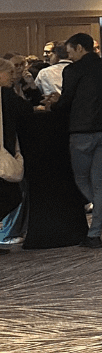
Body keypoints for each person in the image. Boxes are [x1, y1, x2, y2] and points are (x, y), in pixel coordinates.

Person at [54, 34, 102, 248]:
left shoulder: (72, 70)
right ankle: (97, 232)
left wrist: (52, 105)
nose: (69, 56)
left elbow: (66, 101)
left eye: (70, 52)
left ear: (79, 48)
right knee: (99, 183)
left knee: (81, 180)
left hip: (81, 132)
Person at [0, 57, 29, 249]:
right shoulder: (5, 94)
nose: (12, 75)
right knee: (12, 196)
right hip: (4, 151)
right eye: (9, 72)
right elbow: (24, 109)